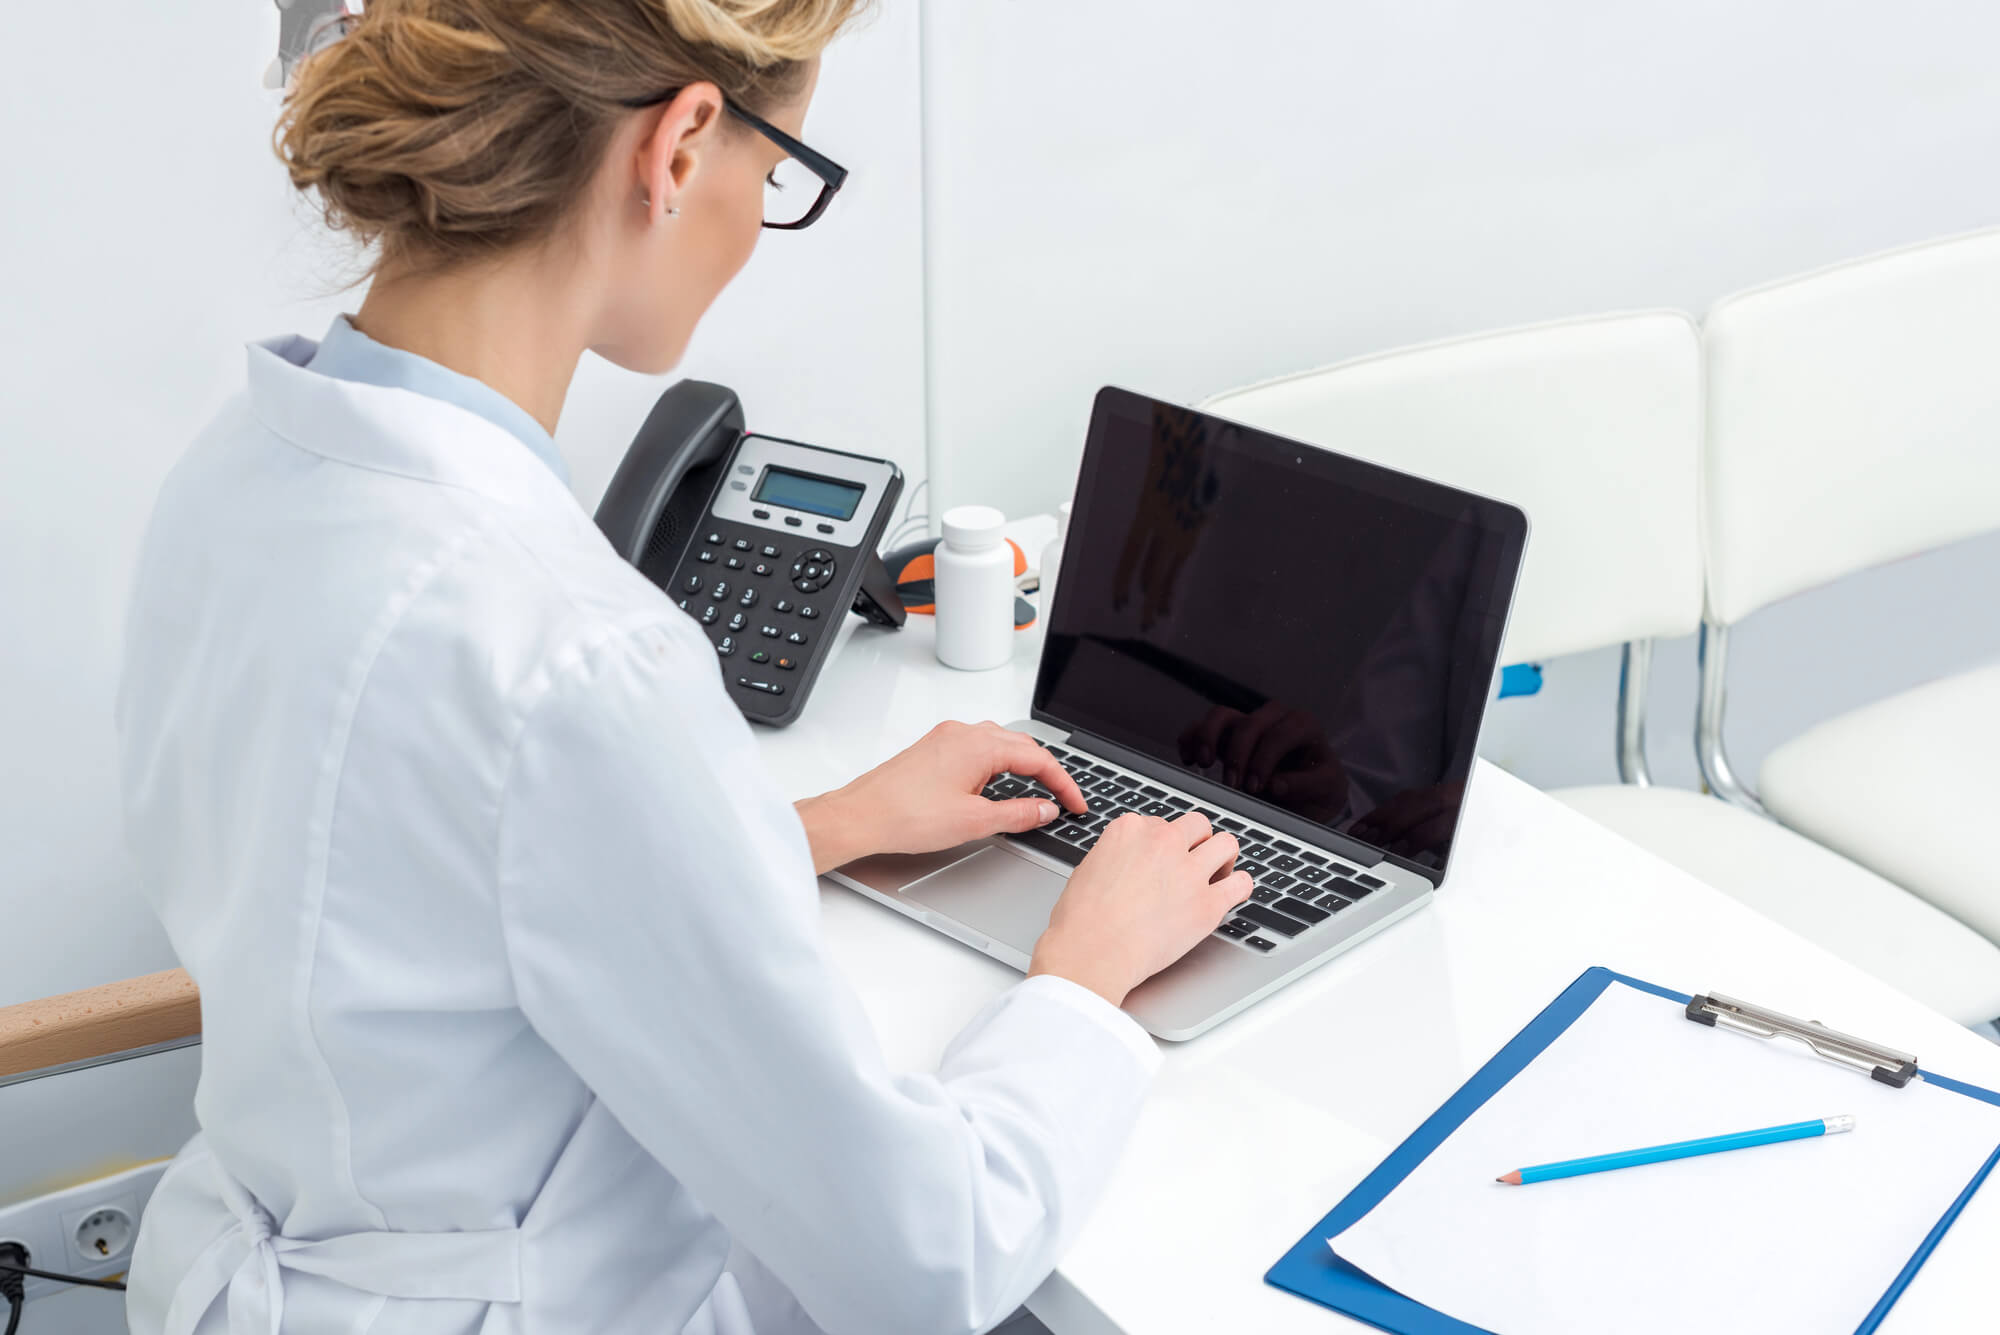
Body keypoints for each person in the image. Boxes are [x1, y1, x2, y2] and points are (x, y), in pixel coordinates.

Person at [114, 3, 1252, 1334]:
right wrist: (1082, 982)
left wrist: (809, 828)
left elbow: (390, 900)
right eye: (776, 181)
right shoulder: (572, 650)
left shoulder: (246, 470)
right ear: (683, 140)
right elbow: (921, 1267)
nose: (758, 230)